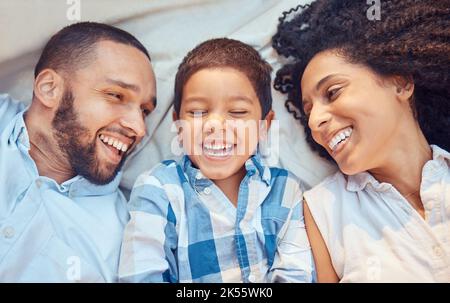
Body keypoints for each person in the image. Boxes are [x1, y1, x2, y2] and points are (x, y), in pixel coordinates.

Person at [273, 0, 450, 282]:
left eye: (332, 93)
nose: (315, 121)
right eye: (308, 111)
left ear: (400, 83)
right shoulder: (323, 211)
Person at [119, 38, 314, 283]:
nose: (214, 125)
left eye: (238, 112)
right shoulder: (159, 189)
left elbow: (297, 275)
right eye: (198, 112)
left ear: (264, 126)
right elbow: (141, 276)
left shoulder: (285, 190)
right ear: (178, 125)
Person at [0, 22, 157, 282]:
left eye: (145, 111)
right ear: (49, 88)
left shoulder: (127, 244)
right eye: (116, 95)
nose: (139, 128)